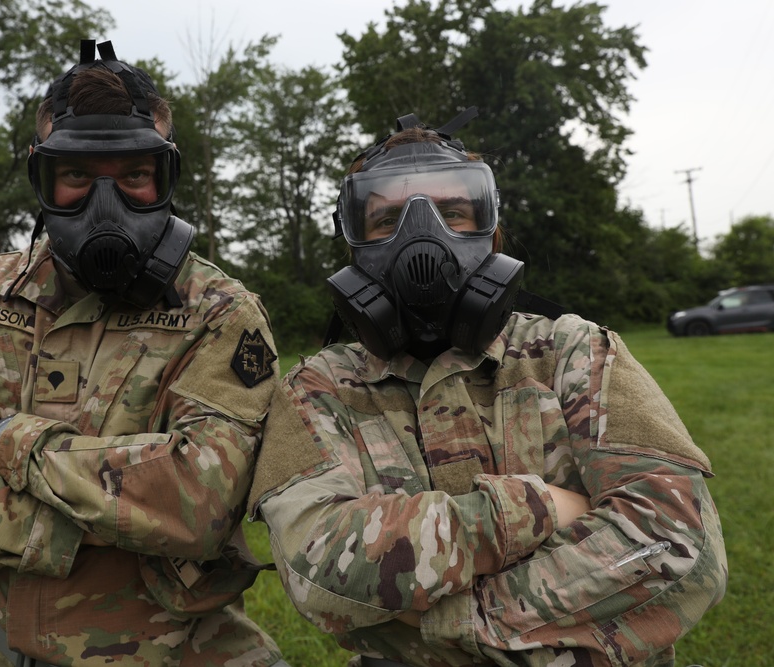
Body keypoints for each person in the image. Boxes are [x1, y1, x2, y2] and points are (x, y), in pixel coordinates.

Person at [0, 39, 286, 666]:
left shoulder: (219, 312)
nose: (107, 202)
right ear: (42, 178)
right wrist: (101, 526)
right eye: (77, 175)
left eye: (134, 175)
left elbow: (202, 501)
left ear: (165, 178)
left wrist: (3, 440)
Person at [249, 113, 727, 667]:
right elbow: (319, 572)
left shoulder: (575, 350)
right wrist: (545, 506)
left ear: (492, 235)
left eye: (453, 212)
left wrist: (446, 618)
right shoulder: (318, 387)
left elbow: (676, 545)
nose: (421, 239)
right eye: (386, 221)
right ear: (355, 247)